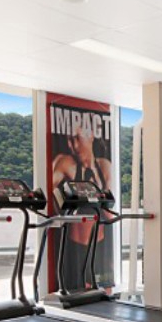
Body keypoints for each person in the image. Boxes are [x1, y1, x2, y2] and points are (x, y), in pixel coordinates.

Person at [52, 124, 113, 292]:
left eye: (77, 139)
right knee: (78, 290)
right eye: (70, 140)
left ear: (91, 136)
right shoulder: (66, 163)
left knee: (105, 289)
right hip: (76, 245)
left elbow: (109, 211)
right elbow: (49, 190)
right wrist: (61, 214)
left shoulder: (104, 166)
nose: (73, 146)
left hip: (100, 244)